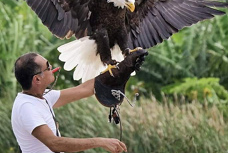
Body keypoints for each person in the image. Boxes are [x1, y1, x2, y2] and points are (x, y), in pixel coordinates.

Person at [12, 50, 147, 153]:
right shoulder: (27, 107)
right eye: (48, 67)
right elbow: (55, 144)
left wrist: (123, 69)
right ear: (37, 79)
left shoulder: (43, 97)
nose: (52, 67)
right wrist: (101, 142)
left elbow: (84, 89)